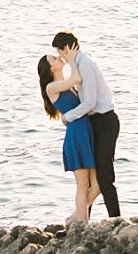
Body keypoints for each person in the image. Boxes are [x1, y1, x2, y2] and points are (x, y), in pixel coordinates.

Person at [51, 31, 120, 216]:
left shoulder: (86, 65)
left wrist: (68, 117)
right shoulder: (78, 66)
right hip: (93, 123)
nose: (60, 56)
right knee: (89, 181)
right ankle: (82, 221)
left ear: (66, 49)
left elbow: (89, 102)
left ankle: (115, 220)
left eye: (59, 52)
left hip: (105, 122)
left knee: (104, 177)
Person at [37, 47, 101, 222]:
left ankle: (74, 218)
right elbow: (77, 78)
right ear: (51, 69)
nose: (58, 57)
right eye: (54, 59)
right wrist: (72, 59)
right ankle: (83, 225)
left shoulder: (66, 83)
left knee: (97, 186)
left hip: (86, 132)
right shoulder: (52, 87)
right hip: (76, 137)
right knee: (82, 185)